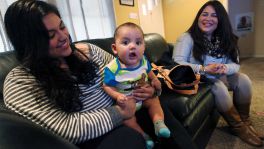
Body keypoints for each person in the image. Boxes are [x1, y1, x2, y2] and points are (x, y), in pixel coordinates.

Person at [3, 0, 156, 148]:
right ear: (29, 42)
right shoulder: (20, 82)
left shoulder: (89, 51)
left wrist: (150, 89)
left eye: (62, 27)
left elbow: (128, 72)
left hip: (130, 110)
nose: (63, 37)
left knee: (160, 113)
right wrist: (120, 112)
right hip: (97, 135)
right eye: (50, 35)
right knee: (129, 139)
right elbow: (65, 129)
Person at [172, 1, 263, 147]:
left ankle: (246, 122)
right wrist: (204, 69)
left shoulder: (226, 38)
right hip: (198, 78)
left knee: (244, 79)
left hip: (219, 74)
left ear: (220, 20)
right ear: (198, 17)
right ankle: (239, 128)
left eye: (214, 15)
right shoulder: (187, 37)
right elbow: (177, 63)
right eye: (205, 14)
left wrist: (225, 68)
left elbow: (235, 64)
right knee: (219, 86)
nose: (208, 18)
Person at [103, 22, 171, 149]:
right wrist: (117, 96)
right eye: (125, 42)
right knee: (127, 120)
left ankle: (159, 123)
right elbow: (106, 86)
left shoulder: (143, 60)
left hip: (144, 97)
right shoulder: (113, 68)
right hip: (127, 103)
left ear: (144, 47)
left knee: (155, 102)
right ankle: (144, 136)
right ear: (115, 48)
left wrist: (155, 80)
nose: (133, 46)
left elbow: (149, 71)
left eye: (138, 42)